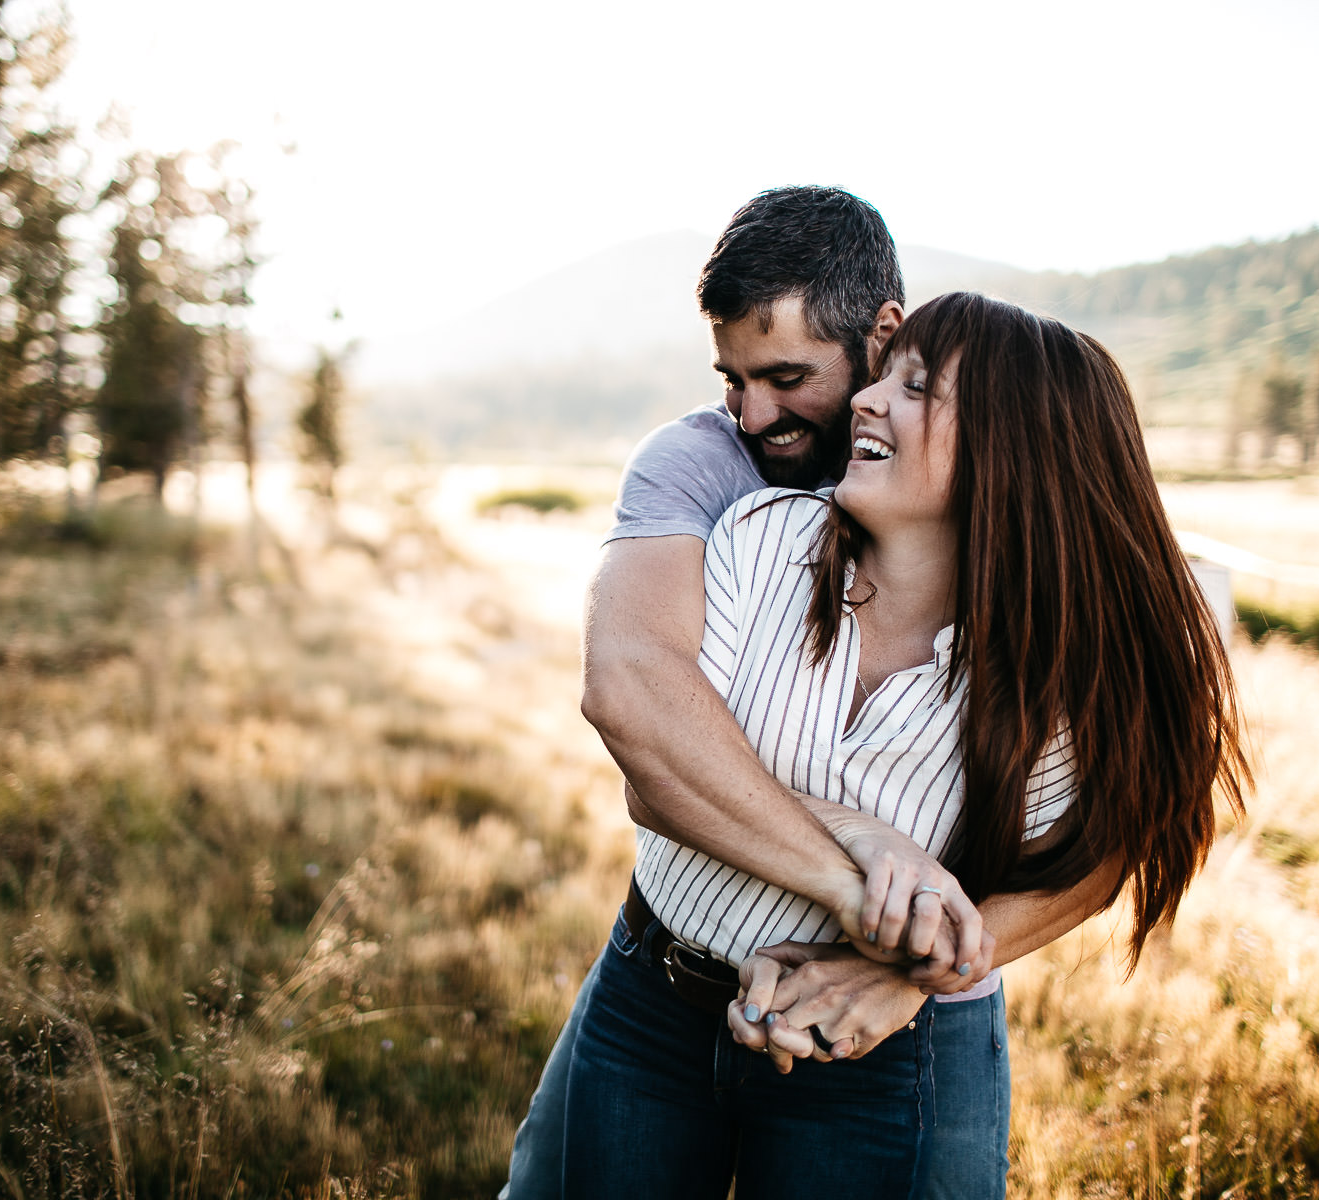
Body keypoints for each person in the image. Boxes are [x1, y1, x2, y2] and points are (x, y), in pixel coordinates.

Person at [560, 290, 1250, 1198]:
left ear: (1017, 447)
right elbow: (658, 775)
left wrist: (911, 976)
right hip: (654, 1004)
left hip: (889, 1057)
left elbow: (1104, 844)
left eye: (916, 389)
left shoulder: (1059, 673)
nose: (866, 402)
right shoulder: (761, 543)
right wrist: (860, 844)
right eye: (882, 376)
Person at [503, 188, 1106, 1200]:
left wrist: (910, 971)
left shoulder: (1048, 585)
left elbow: (1129, 824)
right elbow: (643, 716)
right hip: (663, 981)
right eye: (733, 378)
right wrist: (859, 861)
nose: (752, 415)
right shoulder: (725, 492)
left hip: (896, 1038)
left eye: (787, 378)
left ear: (882, 340)